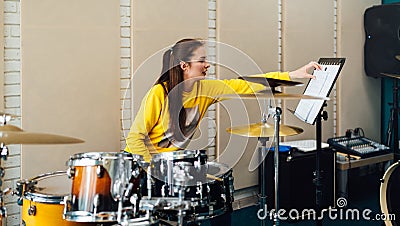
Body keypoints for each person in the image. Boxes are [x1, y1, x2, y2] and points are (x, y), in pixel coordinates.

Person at [125, 38, 321, 162]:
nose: (207, 64)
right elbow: (135, 138)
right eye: (201, 60)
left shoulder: (206, 89)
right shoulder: (159, 93)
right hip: (142, 163)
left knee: (217, 192)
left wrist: (292, 74)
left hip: (173, 164)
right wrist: (152, 170)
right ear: (184, 65)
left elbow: (244, 84)